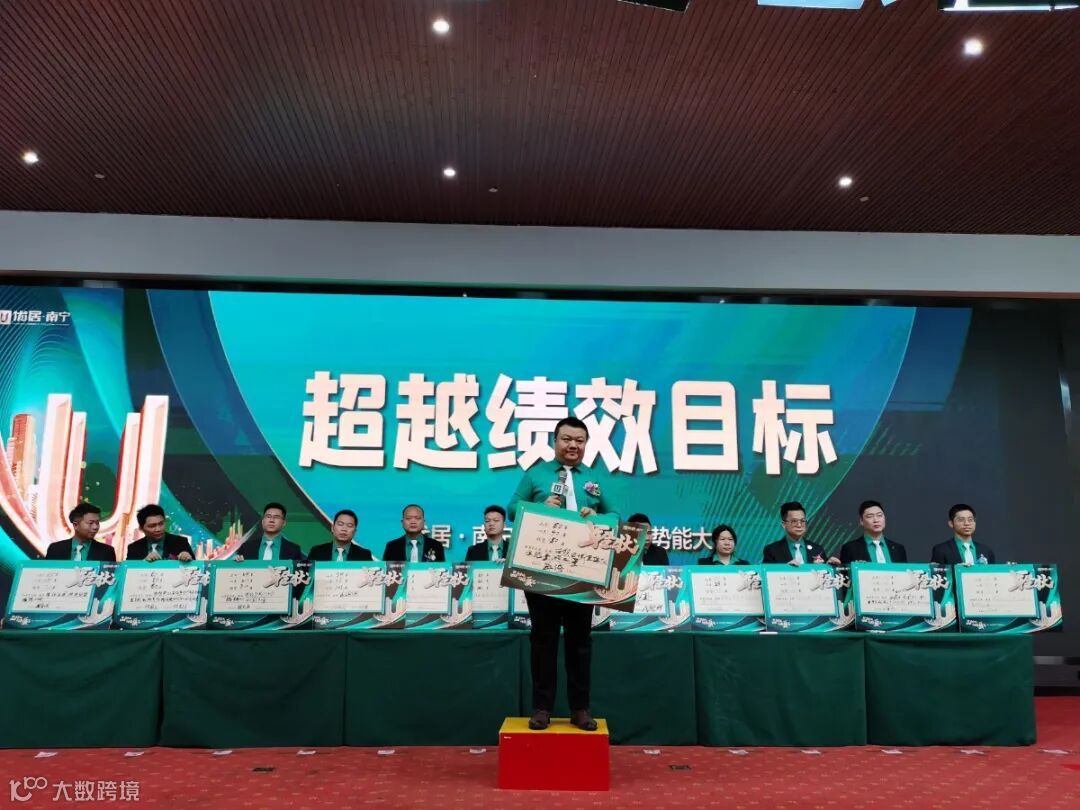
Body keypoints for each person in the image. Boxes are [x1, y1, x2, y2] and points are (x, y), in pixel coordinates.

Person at [508, 416, 616, 732]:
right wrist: (541, 506)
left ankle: (580, 709)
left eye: (579, 440)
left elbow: (615, 514)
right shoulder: (536, 474)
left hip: (582, 573)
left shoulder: (594, 477)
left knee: (580, 642)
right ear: (555, 441)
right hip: (542, 570)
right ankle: (542, 708)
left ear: (586, 444)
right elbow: (512, 509)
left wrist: (597, 515)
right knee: (543, 640)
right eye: (567, 439)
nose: (573, 445)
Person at [836, 500, 908, 564]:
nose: (876, 520)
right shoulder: (850, 548)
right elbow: (845, 573)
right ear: (861, 521)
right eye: (870, 516)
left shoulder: (898, 549)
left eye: (879, 515)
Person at [761, 501, 828, 564]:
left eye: (802, 521)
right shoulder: (772, 551)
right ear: (784, 524)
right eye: (794, 521)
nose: (799, 525)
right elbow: (768, 571)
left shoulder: (817, 549)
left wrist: (830, 565)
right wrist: (786, 569)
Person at [45, 502, 116, 561]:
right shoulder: (55, 549)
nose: (95, 527)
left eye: (97, 523)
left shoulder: (107, 552)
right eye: (90, 523)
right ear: (75, 525)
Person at [235, 502, 306, 561]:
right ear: (262, 522)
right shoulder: (246, 547)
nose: (271, 520)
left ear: (283, 523)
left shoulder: (294, 549)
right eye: (268, 516)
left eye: (276, 517)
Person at [931, 504, 996, 566]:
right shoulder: (941, 550)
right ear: (951, 523)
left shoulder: (986, 550)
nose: (967, 523)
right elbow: (937, 573)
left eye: (970, 520)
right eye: (961, 520)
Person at [125, 504, 194, 562]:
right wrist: (144, 563)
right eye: (152, 526)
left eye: (161, 524)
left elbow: (196, 569)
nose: (158, 529)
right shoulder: (134, 548)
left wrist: (188, 559)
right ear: (141, 528)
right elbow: (129, 571)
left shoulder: (181, 542)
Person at [307, 509, 374, 561]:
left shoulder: (364, 555)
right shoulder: (316, 552)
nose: (344, 529)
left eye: (349, 525)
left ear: (355, 532)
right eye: (340, 524)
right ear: (332, 528)